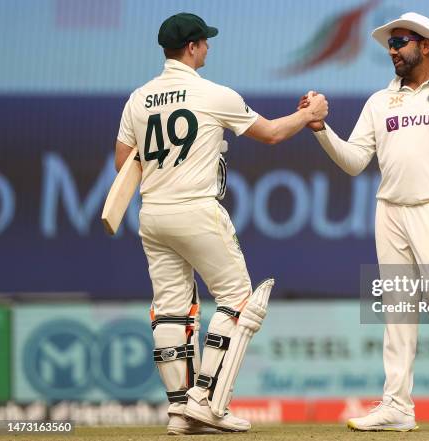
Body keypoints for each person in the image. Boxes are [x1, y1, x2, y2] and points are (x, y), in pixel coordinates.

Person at [114, 12, 327, 435]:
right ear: (191, 47)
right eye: (205, 42)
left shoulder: (138, 99)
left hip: (153, 213)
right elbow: (271, 135)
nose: (209, 47)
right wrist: (308, 115)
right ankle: (207, 401)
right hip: (197, 209)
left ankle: (179, 412)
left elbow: (124, 163)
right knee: (239, 299)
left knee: (172, 310)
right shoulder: (212, 94)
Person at [299, 12, 429, 431]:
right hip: (389, 210)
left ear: (425, 45)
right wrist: (321, 130)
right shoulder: (379, 101)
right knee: (397, 308)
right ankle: (397, 405)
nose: (392, 51)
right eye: (390, 45)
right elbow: (355, 162)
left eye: (400, 43)